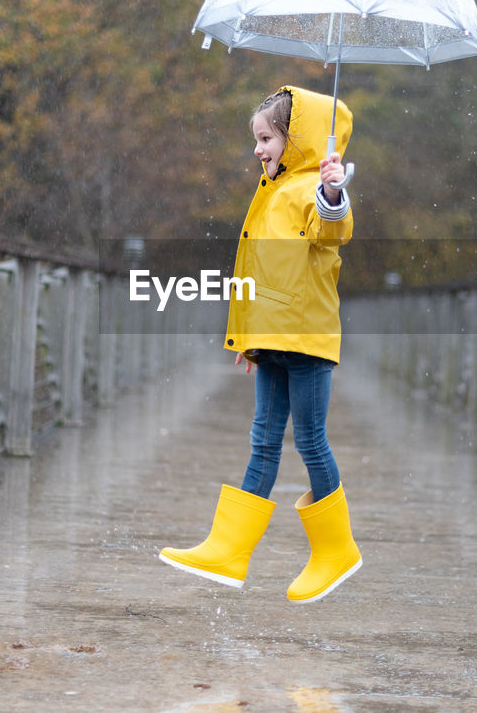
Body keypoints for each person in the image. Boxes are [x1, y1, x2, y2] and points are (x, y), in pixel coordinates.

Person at [159, 85, 362, 603]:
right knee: (264, 440)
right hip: (274, 340)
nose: (258, 149)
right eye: (256, 139)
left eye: (266, 138)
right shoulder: (271, 189)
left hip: (307, 337)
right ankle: (229, 551)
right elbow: (259, 271)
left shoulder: (309, 189)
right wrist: (249, 338)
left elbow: (332, 230)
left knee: (310, 439)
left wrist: (334, 191)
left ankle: (336, 550)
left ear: (295, 141)